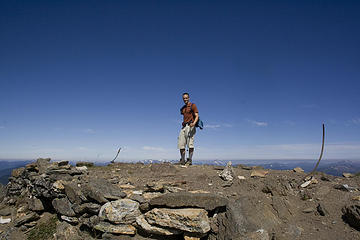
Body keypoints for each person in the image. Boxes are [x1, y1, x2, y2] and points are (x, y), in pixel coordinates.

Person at [177, 92, 199, 165]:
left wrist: (194, 123)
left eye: (186, 98)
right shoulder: (183, 108)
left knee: (190, 144)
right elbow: (183, 114)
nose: (185, 99)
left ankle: (190, 160)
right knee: (181, 144)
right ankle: (183, 160)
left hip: (190, 126)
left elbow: (197, 115)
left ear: (188, 98)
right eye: (184, 98)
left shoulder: (192, 105)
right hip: (184, 127)